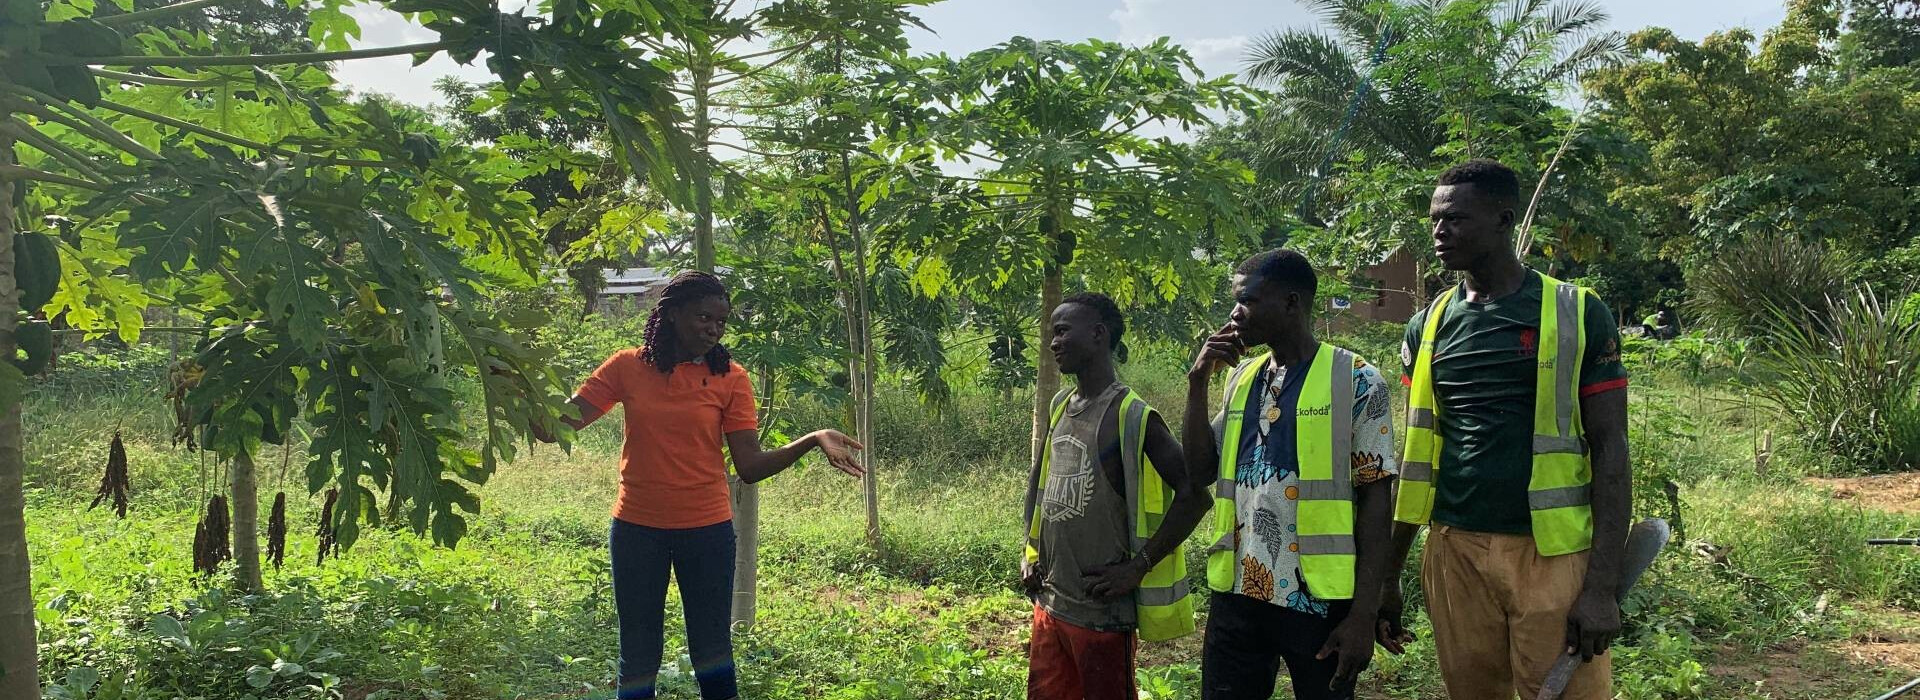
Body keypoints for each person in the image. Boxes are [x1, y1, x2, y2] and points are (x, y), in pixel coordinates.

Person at [531, 270, 865, 700]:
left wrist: (812, 439)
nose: (713, 329)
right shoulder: (626, 367)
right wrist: (508, 379)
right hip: (636, 529)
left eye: (721, 322)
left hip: (706, 532)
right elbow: (555, 427)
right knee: (638, 654)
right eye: (703, 317)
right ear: (671, 315)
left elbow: (750, 466)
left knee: (711, 651)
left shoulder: (731, 378)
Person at [1380, 159, 1631, 700]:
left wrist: (1602, 588)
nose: (1439, 233)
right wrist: (1389, 574)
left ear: (1503, 220)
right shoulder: (1428, 326)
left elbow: (1612, 451)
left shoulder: (1576, 313)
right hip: (1454, 549)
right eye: (1434, 221)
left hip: (1549, 554)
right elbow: (1415, 456)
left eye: (1456, 220)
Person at [1183, 249, 1401, 700]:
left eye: (1248, 300)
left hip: (1317, 601)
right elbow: (1201, 469)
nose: (1234, 313)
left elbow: (1378, 501)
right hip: (1239, 590)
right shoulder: (1242, 377)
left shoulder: (1357, 380)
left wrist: (1363, 615)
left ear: (1291, 302)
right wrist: (1198, 382)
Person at [1022, 292, 1212, 700]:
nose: (1053, 342)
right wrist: (1028, 550)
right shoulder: (1060, 405)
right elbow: (1038, 482)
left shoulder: (1132, 414)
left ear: (1097, 334)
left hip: (1101, 615)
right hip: (1051, 602)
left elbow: (1195, 496)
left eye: (1061, 331)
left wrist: (1138, 566)